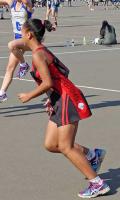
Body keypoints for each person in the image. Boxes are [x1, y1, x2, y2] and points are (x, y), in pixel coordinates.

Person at [17, 18, 110, 198]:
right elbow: (60, 75)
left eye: (22, 32)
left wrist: (29, 95)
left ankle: (98, 184)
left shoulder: (37, 54)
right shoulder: (40, 51)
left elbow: (48, 82)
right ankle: (92, 155)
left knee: (66, 146)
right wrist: (51, 98)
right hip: (59, 98)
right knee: (51, 145)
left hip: (68, 99)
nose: (21, 35)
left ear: (28, 34)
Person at [0, 0, 33, 105]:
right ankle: (1, 93)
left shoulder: (27, 3)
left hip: (28, 40)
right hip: (17, 41)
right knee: (10, 68)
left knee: (11, 45)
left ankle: (23, 64)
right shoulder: (11, 2)